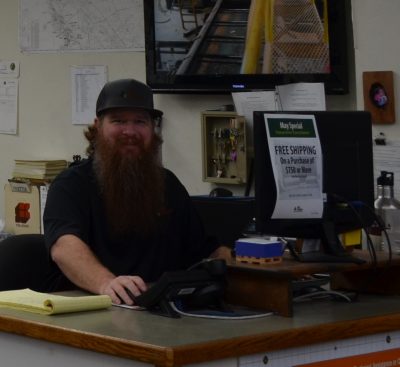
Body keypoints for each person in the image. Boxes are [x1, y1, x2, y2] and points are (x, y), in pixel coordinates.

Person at [43, 79, 230, 305]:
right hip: (91, 309)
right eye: (118, 121)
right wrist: (106, 283)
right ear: (98, 126)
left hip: (159, 310)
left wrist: (254, 260)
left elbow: (204, 251)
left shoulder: (167, 184)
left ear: (152, 129)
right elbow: (65, 248)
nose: (129, 131)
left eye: (140, 122)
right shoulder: (70, 184)